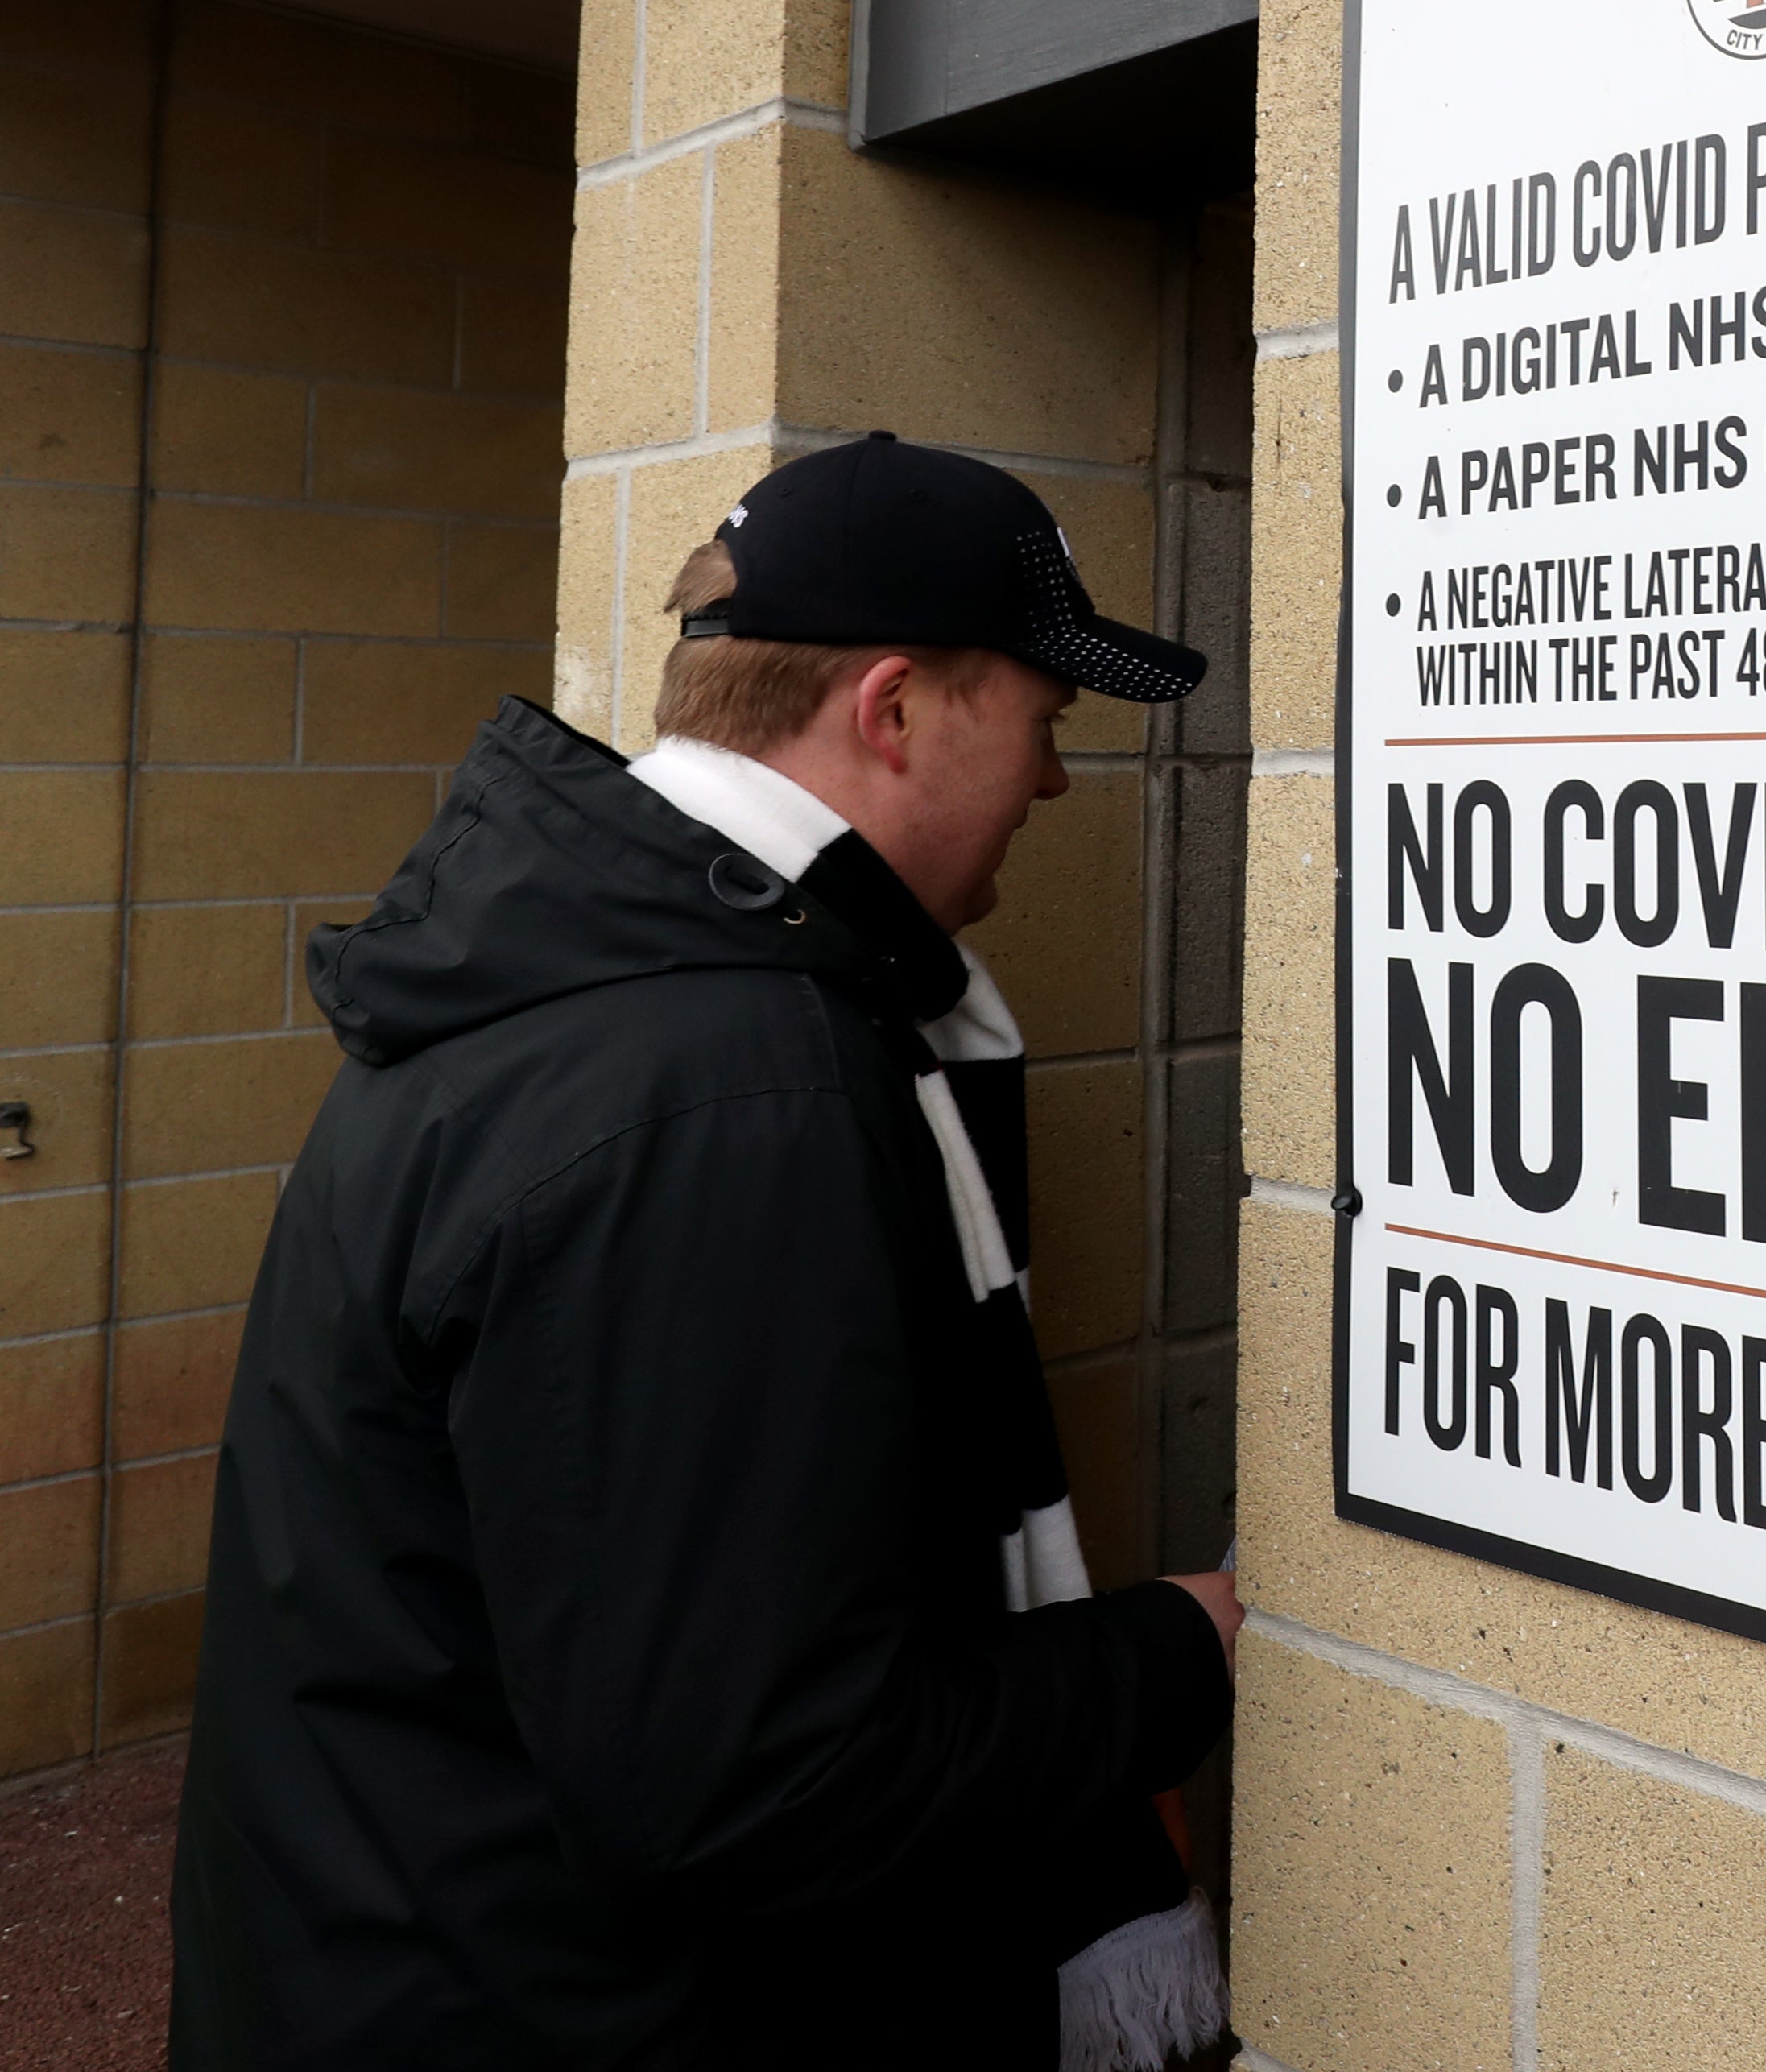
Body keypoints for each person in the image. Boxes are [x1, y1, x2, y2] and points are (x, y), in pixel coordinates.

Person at [172, 434, 1241, 2071]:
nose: (1053, 780)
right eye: (1047, 717)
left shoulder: (600, 982)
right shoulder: (720, 1087)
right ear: (892, 709)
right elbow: (763, 1783)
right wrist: (1178, 1647)